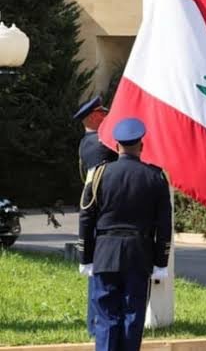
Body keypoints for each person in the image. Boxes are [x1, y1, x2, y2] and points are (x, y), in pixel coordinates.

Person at [78, 118, 172, 351]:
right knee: (133, 316)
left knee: (106, 318)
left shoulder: (99, 175)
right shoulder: (155, 177)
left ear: (117, 146)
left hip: (105, 255)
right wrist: (161, 262)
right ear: (141, 146)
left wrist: (86, 257)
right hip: (139, 254)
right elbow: (164, 225)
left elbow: (86, 217)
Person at [73, 96, 118, 337]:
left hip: (98, 215)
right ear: (92, 117)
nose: (106, 116)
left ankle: (97, 323)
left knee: (99, 273)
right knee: (99, 274)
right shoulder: (98, 143)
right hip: (100, 215)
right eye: (102, 113)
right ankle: (97, 324)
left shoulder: (91, 141)